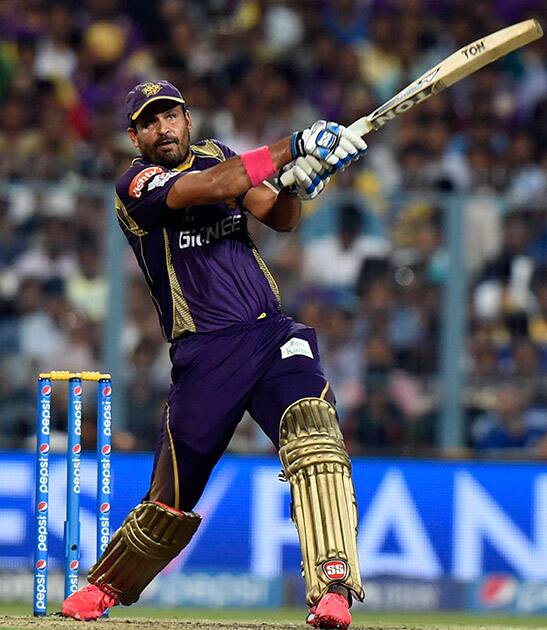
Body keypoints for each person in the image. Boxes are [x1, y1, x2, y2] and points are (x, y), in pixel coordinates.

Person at [61, 80, 367, 629]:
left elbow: (277, 216)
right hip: (205, 352)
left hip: (270, 335)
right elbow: (206, 188)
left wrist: (300, 185)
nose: (163, 129)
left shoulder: (221, 153)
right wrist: (295, 145)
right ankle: (106, 585)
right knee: (171, 497)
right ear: (135, 136)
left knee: (315, 433)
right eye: (149, 123)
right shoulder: (136, 183)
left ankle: (333, 587)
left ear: (187, 118)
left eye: (170, 116)